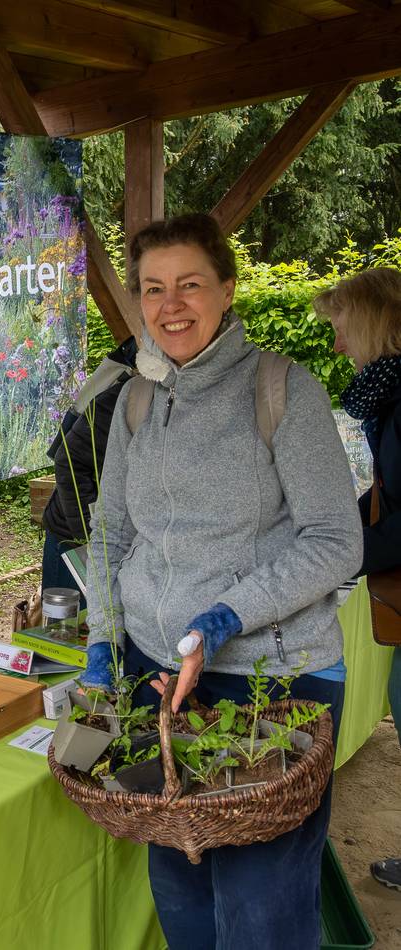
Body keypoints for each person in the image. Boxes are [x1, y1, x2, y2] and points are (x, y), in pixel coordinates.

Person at [80, 213, 362, 950]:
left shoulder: (282, 388)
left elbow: (336, 540)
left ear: (228, 289)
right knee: (181, 885)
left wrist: (227, 616)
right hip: (157, 681)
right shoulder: (137, 399)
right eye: (153, 288)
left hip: (272, 683)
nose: (170, 305)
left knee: (261, 907)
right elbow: (111, 533)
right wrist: (103, 638)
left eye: (190, 284)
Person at [314, 268, 401, 890]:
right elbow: (390, 494)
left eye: (342, 328)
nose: (339, 344)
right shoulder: (390, 398)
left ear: (373, 324)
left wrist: (338, 553)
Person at [40, 336, 136, 602]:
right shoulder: (125, 398)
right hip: (73, 539)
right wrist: (89, 535)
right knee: (65, 624)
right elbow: (67, 461)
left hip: (111, 541)